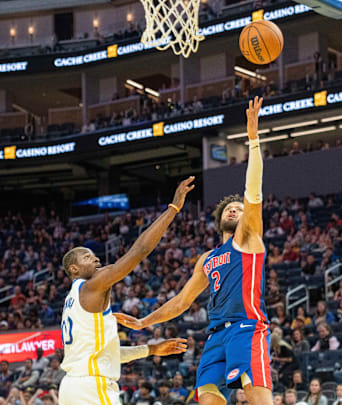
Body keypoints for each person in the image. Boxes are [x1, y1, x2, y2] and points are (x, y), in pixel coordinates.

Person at [115, 97, 274, 405]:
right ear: (219, 218)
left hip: (246, 327)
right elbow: (182, 301)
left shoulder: (250, 237)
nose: (234, 209)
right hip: (215, 335)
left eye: (239, 208)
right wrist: (143, 322)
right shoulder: (209, 258)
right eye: (229, 207)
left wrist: (253, 141)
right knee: (208, 398)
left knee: (257, 397)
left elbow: (253, 191)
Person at [58, 178, 194, 404]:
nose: (97, 259)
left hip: (72, 387)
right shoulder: (92, 285)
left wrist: (150, 349)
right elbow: (139, 251)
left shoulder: (71, 300)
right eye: (88, 257)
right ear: (74, 268)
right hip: (93, 386)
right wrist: (173, 209)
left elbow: (108, 356)